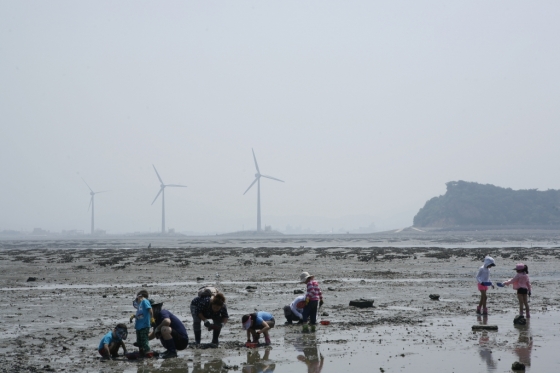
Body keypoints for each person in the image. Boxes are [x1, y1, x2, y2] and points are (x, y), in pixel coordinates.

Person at [129, 289, 155, 358]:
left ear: (140, 296)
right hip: (138, 326)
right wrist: (134, 316)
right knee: (139, 340)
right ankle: (141, 352)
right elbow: (140, 314)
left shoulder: (145, 301)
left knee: (144, 339)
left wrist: (152, 319)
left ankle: (148, 352)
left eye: (137, 297)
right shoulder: (139, 304)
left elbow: (150, 310)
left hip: (144, 325)